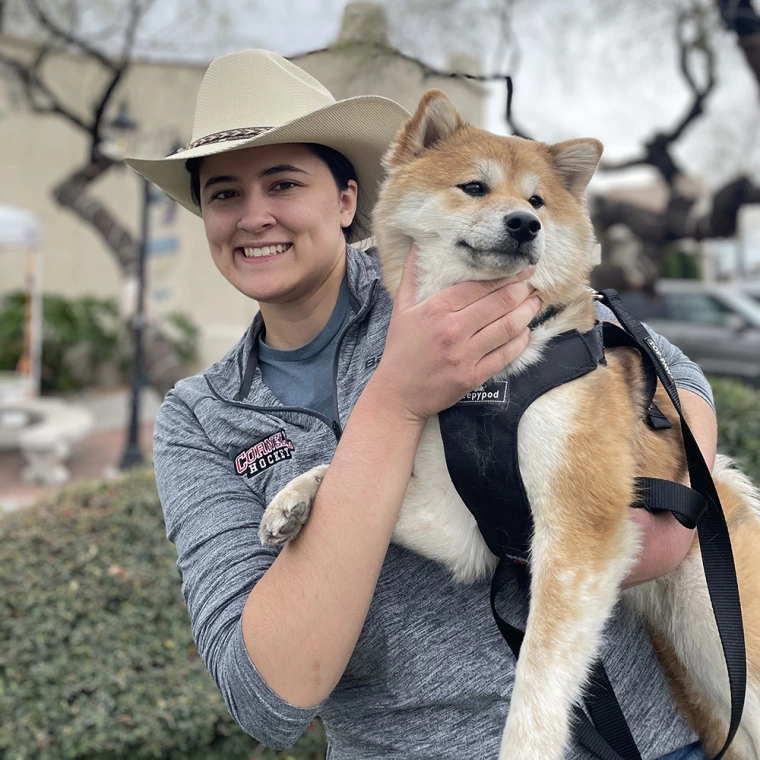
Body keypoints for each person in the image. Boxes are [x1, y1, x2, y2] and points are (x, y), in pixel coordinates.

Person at [126, 50, 714, 760]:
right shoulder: (202, 418)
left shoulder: (452, 264)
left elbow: (665, 370)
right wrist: (397, 402)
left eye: (283, 183)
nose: (254, 217)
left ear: (346, 201)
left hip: (638, 736)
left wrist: (677, 499)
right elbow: (268, 697)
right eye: (224, 195)